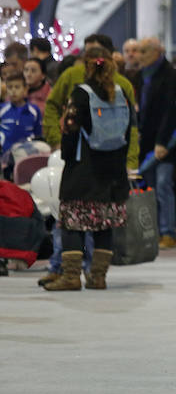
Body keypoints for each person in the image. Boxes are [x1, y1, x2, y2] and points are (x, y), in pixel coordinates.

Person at [45, 47, 133, 292]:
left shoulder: (81, 94)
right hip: (113, 170)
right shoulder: (121, 92)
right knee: (104, 224)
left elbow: (71, 129)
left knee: (73, 221)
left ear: (86, 65)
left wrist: (66, 155)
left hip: (84, 169)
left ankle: (71, 277)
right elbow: (129, 130)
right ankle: (98, 277)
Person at [43, 34, 139, 172]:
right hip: (104, 161)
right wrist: (56, 140)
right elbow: (52, 105)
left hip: (91, 163)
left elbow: (131, 126)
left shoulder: (121, 86)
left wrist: (63, 148)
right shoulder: (71, 76)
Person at [134, 37, 176, 249]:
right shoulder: (138, 77)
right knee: (148, 188)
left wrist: (162, 142)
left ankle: (168, 231)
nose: (138, 56)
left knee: (163, 186)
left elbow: (171, 112)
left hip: (165, 143)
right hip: (145, 143)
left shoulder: (171, 75)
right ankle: (152, 231)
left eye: (143, 51)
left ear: (156, 52)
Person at [0, 72, 42, 179]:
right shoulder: (2, 109)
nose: (13, 90)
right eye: (10, 87)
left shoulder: (34, 110)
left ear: (25, 89)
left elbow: (38, 136)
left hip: (26, 158)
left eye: (17, 87)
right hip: (4, 160)